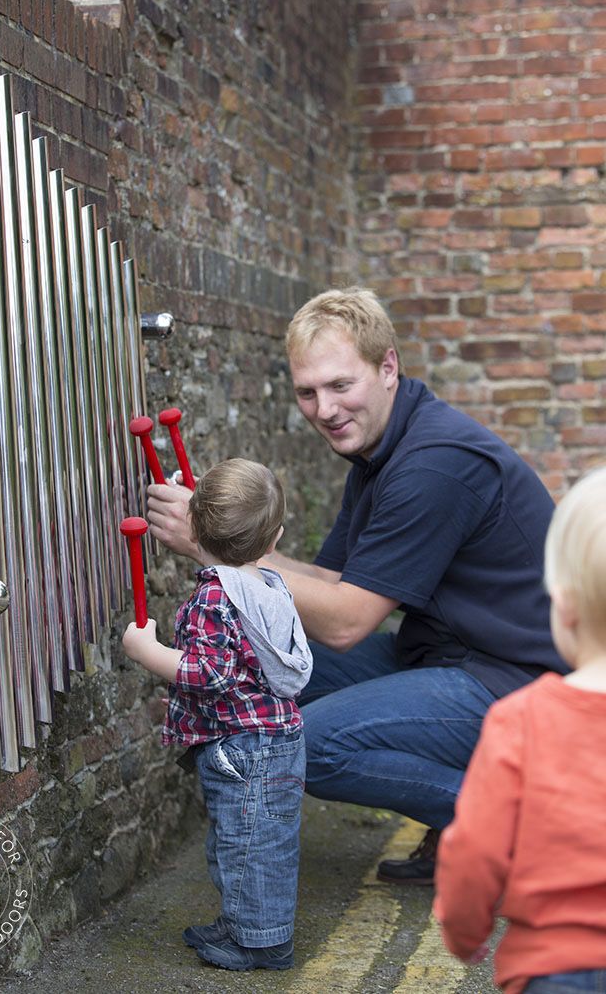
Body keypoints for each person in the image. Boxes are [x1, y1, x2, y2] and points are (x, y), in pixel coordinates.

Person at [146, 287, 567, 885]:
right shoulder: (383, 451)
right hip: (451, 655)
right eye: (308, 392)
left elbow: (345, 621)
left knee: (302, 744)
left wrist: (209, 546)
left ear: (388, 367)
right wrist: (230, 542)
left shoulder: (432, 463)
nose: (324, 408)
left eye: (341, 385)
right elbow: (332, 582)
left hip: (522, 684)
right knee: (263, 666)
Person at [122, 457, 312, 972]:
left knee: (249, 844)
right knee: (247, 841)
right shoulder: (269, 586)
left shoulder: (215, 596)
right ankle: (242, 922)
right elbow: (243, 670)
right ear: (274, 539)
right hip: (272, 740)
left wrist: (147, 650)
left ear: (194, 528)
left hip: (247, 748)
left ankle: (263, 941)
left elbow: (211, 675)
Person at [434, 465, 606, 994]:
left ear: (566, 605)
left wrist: (463, 932)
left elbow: (477, 851)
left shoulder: (522, 721)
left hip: (558, 967)